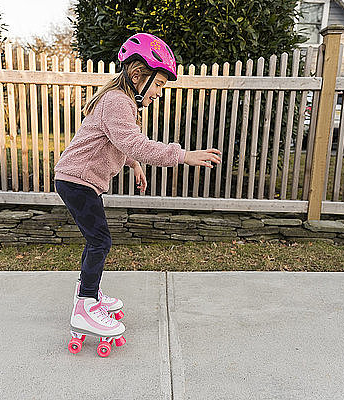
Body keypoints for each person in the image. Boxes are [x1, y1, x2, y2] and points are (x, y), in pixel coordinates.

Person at [54, 33, 222, 345]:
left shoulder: (120, 100)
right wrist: (183, 155)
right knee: (100, 241)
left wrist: (133, 163)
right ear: (137, 75)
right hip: (76, 181)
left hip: (78, 180)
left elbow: (117, 141)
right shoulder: (118, 101)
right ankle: (85, 305)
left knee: (97, 241)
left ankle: (88, 292)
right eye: (158, 84)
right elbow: (135, 142)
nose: (160, 92)